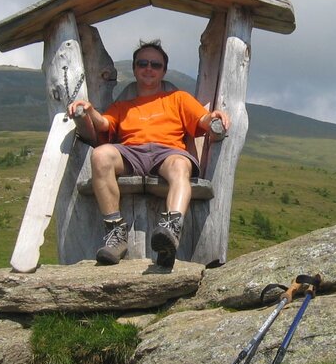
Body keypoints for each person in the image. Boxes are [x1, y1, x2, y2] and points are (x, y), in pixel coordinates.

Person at [68, 39, 230, 268]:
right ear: (134, 68)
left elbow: (202, 120)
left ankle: (171, 230)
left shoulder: (178, 98)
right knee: (101, 155)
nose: (148, 68)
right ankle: (116, 233)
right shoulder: (124, 106)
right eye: (142, 63)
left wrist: (215, 115)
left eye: (155, 65)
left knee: (179, 166)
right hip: (131, 152)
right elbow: (104, 124)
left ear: (163, 71)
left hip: (168, 152)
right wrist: (89, 109)